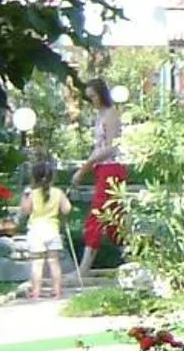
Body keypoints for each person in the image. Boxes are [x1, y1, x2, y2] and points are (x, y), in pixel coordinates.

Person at [77, 77, 126, 273]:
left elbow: (111, 147)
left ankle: (83, 269)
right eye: (89, 97)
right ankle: (134, 259)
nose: (92, 101)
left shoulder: (111, 115)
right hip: (102, 169)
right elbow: (98, 148)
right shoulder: (100, 116)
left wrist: (86, 167)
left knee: (97, 215)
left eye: (94, 96)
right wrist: (84, 169)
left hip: (111, 169)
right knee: (114, 218)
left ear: (102, 94)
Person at [16, 160, 70, 300]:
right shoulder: (58, 192)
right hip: (52, 230)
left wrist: (24, 196)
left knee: (37, 263)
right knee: (54, 262)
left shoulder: (32, 193)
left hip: (36, 231)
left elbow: (25, 210)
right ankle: (57, 291)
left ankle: (36, 291)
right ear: (52, 177)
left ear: (33, 177)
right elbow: (67, 209)